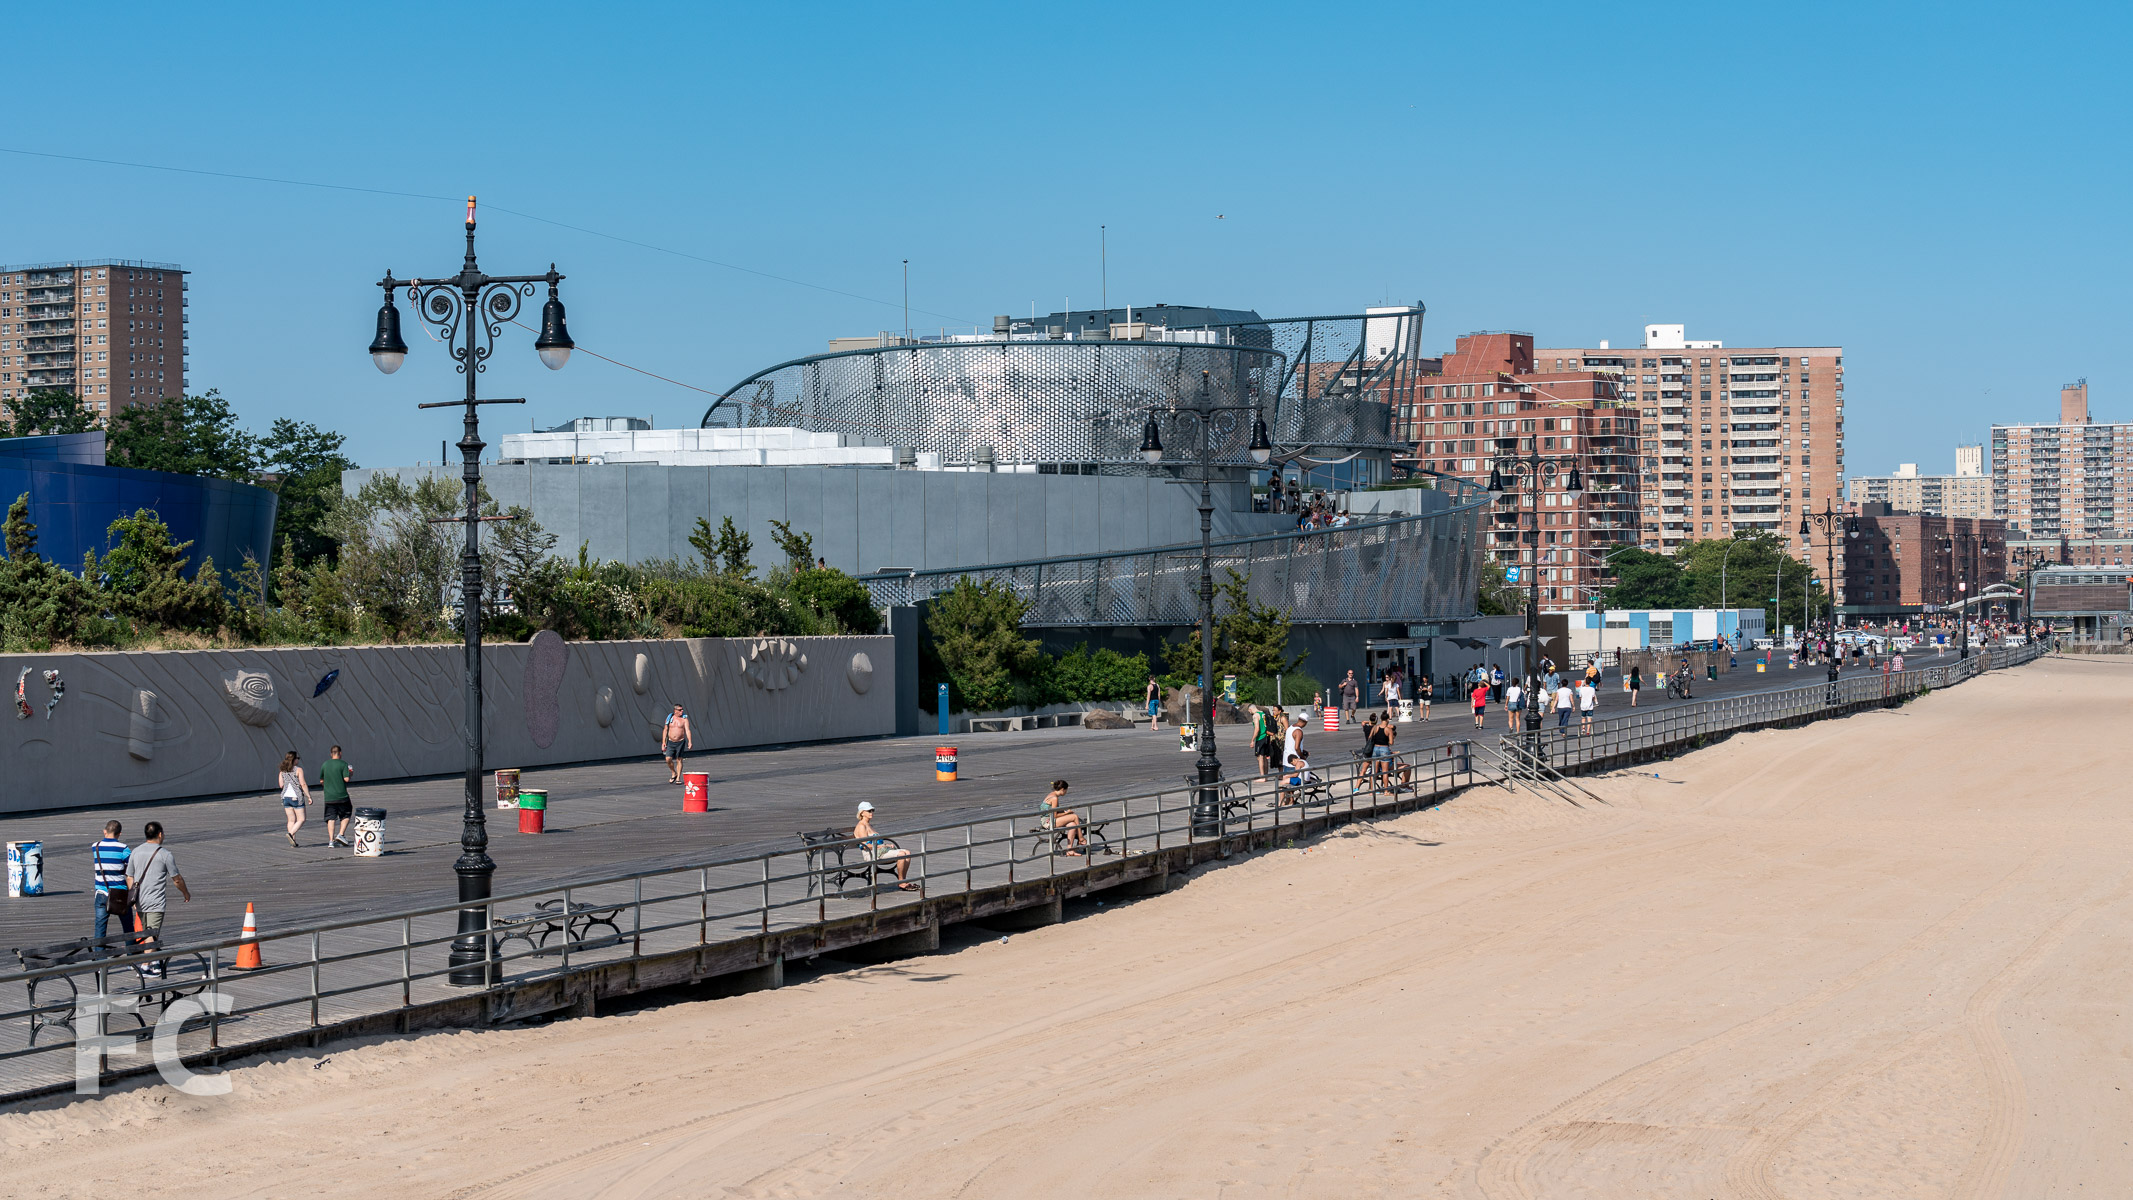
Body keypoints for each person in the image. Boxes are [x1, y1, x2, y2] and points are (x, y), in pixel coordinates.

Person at [126, 821, 190, 973]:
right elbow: (177, 879)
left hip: (139, 900)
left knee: (147, 931)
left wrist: (133, 896)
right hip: (155, 901)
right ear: (160, 834)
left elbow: (129, 876)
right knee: (151, 933)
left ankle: (152, 961)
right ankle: (145, 967)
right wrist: (185, 893)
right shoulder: (165, 854)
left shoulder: (135, 851)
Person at [851, 801, 915, 889]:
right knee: (901, 854)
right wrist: (882, 846)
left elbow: (876, 842)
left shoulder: (869, 824)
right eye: (869, 811)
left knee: (907, 853)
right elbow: (865, 845)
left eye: (872, 810)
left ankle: (903, 880)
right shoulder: (861, 826)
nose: (871, 813)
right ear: (862, 813)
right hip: (870, 853)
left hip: (879, 851)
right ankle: (901, 882)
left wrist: (886, 845)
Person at [91, 820, 130, 944]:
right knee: (128, 928)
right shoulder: (124, 849)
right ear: (119, 834)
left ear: (105, 831)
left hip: (101, 892)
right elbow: (131, 868)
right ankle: (131, 959)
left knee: (100, 930)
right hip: (120, 893)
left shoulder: (95, 846)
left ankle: (100, 960)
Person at [319, 745, 355, 848]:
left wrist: (328, 787)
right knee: (346, 814)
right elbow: (346, 779)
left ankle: (331, 841)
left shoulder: (325, 764)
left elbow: (321, 780)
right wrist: (350, 774)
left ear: (331, 754)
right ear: (340, 753)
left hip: (329, 796)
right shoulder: (343, 764)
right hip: (342, 795)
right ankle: (341, 834)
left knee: (331, 818)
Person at [1040, 779, 1085, 855]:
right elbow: (1055, 815)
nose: (1066, 792)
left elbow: (1055, 811)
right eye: (1066, 790)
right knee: (1074, 817)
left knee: (1073, 825)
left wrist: (1065, 812)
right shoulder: (1054, 798)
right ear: (1062, 789)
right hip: (1048, 822)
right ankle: (1081, 838)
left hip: (1051, 819)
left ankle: (1069, 850)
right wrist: (1067, 813)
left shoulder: (1052, 795)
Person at [277, 750, 311, 848]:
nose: (298, 760)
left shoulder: (282, 770)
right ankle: (291, 834)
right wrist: (309, 796)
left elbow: (281, 785)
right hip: (296, 797)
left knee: (291, 820)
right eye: (297, 758)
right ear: (294, 759)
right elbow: (303, 784)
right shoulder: (298, 770)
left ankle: (293, 841)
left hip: (285, 797)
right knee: (302, 819)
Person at [661, 705, 693, 784]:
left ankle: (678, 778)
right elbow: (665, 730)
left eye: (682, 710)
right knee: (668, 758)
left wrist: (689, 741)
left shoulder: (684, 719)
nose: (682, 711)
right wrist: (663, 742)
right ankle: (673, 773)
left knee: (679, 759)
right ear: (675, 710)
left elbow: (687, 730)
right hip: (671, 741)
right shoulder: (669, 718)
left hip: (680, 741)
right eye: (680, 710)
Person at [1252, 706, 1275, 778]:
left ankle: (1262, 776)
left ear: (1250, 709)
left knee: (1260, 757)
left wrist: (1252, 740)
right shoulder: (1263, 713)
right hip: (1267, 737)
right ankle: (1266, 775)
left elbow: (1257, 728)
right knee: (1265, 756)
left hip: (1260, 737)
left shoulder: (1256, 715)